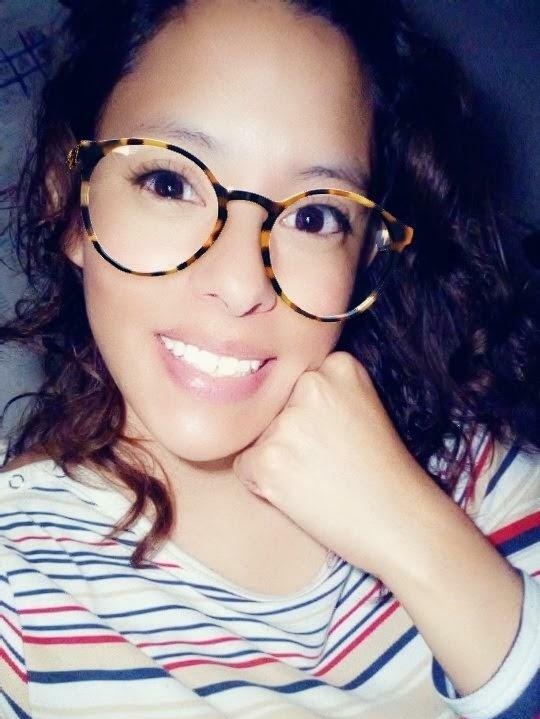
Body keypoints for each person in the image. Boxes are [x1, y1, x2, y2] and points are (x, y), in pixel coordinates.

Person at [0, 0, 538, 717]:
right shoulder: (19, 586)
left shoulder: (467, 460)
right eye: (170, 183)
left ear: (365, 258)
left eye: (314, 216)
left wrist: (417, 535)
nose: (241, 284)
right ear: (71, 206)